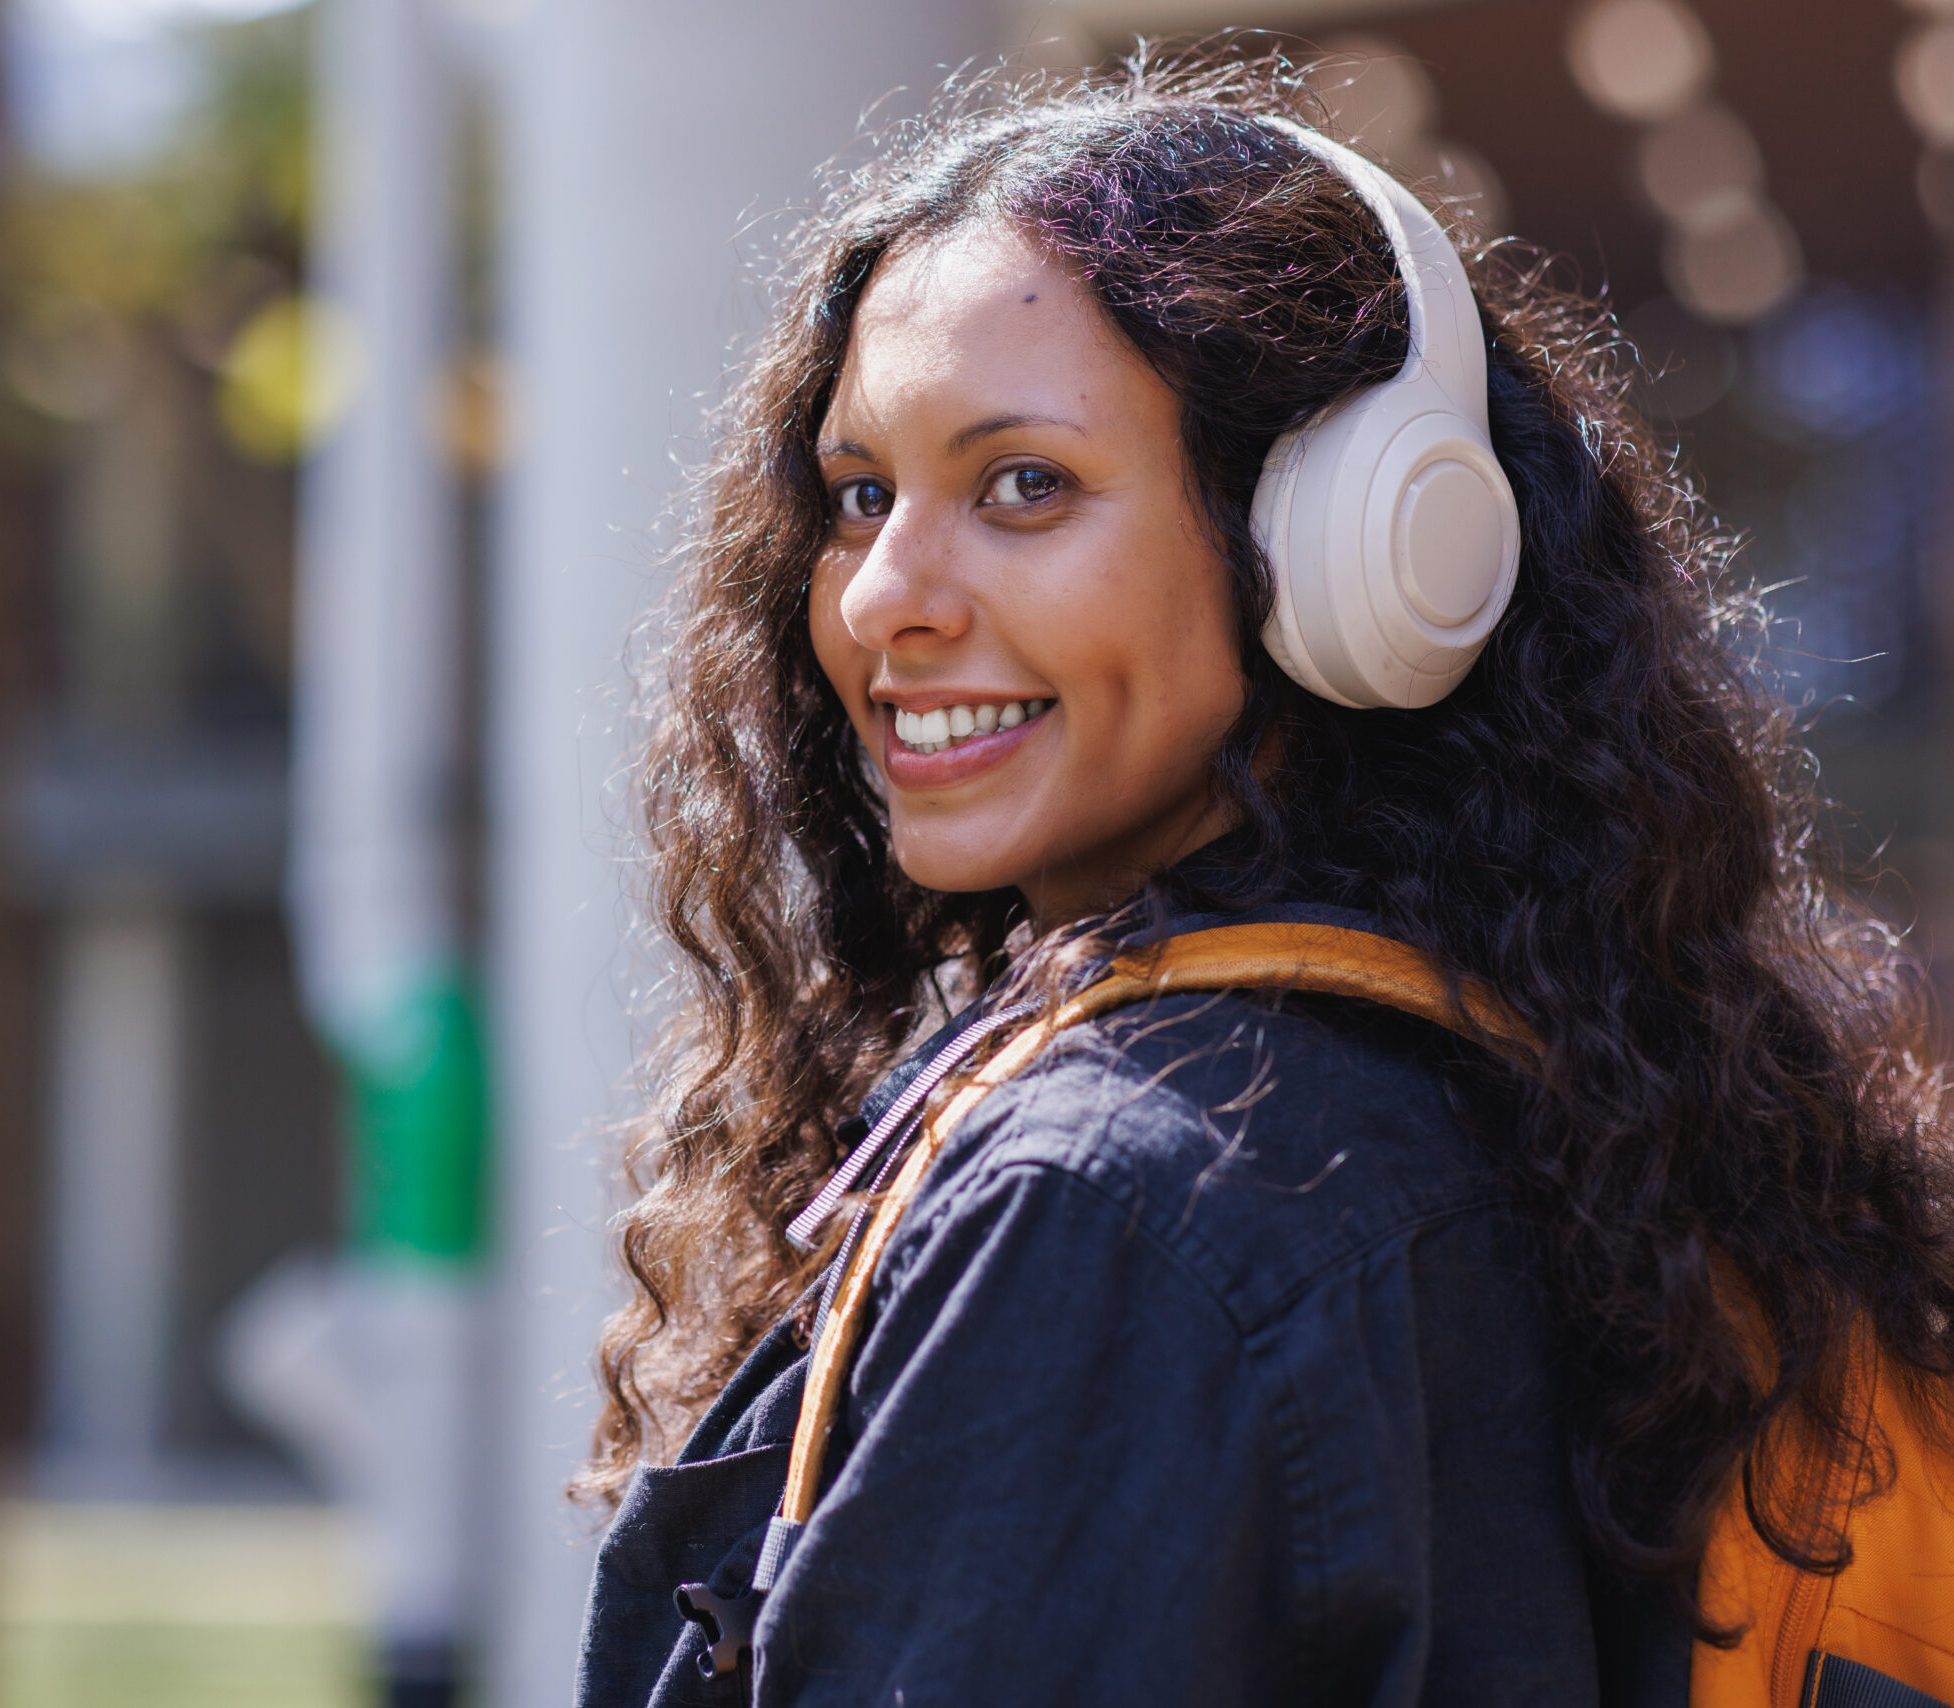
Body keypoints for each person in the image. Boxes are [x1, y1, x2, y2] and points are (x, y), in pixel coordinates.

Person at [571, 51, 1954, 1708]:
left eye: (1025, 485)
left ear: (1358, 548)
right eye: (862, 495)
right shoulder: (1570, 1112)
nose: (880, 598)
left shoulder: (1119, 1202)